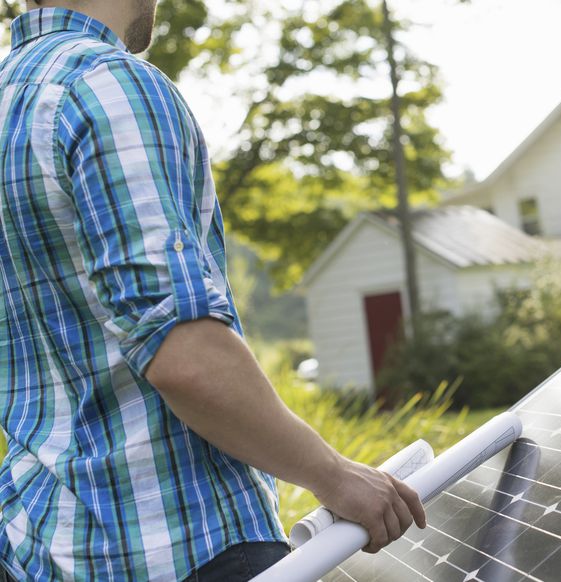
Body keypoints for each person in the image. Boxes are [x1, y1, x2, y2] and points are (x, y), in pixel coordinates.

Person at [0, 1, 426, 580]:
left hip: (36, 549)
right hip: (181, 549)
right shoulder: (105, 86)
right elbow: (186, 358)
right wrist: (335, 476)